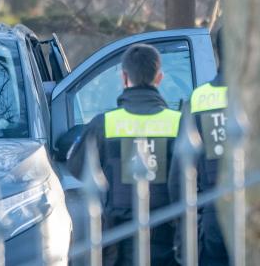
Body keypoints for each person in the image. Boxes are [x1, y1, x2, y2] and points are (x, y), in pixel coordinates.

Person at [68, 44, 180, 266]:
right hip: (167, 241)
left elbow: (76, 167)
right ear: (159, 78)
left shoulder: (103, 124)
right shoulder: (178, 122)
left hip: (116, 242)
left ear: (124, 77)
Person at [168, 29, 230, 265]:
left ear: (218, 52)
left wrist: (186, 232)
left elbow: (179, 177)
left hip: (215, 218)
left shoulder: (199, 99)